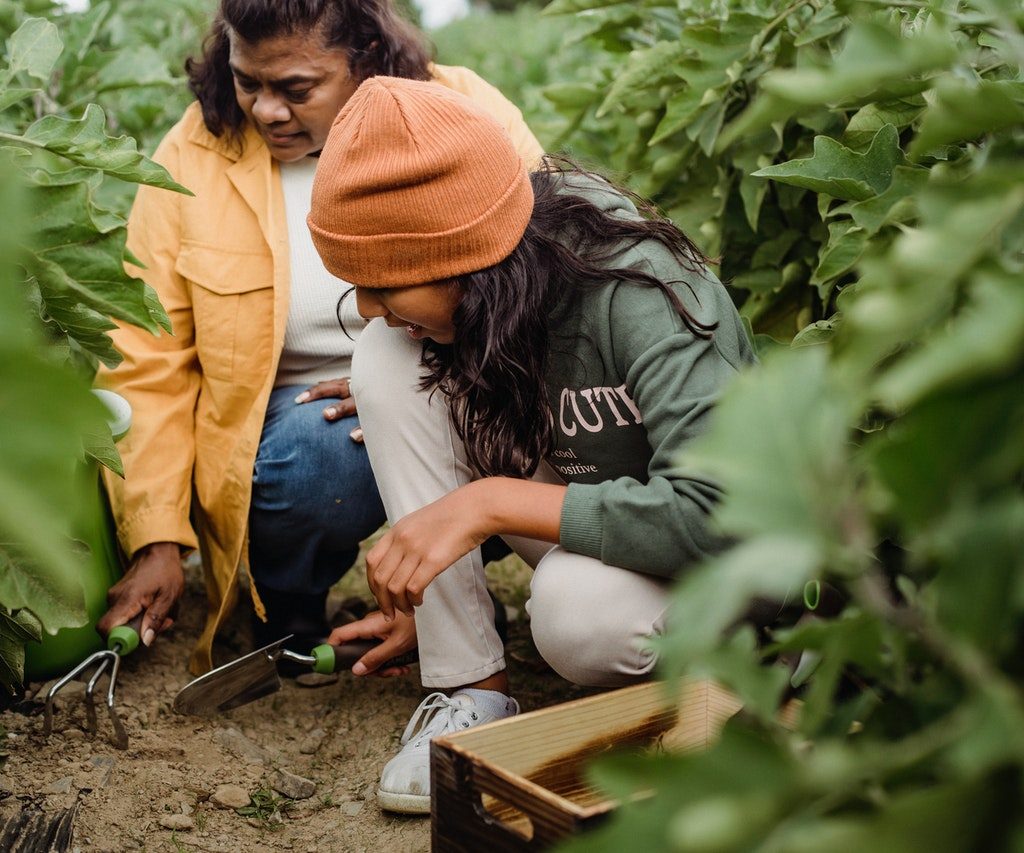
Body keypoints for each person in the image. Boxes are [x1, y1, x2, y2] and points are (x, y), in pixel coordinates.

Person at [306, 77, 757, 813]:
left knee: (575, 614)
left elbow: (720, 514)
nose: (366, 307)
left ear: (467, 255)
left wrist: (489, 503)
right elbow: (416, 363)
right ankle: (470, 686)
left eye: (385, 283)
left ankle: (750, 670)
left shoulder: (639, 289)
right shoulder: (486, 298)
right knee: (382, 362)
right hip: (607, 525)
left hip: (724, 564)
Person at [96, 0, 543, 675]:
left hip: (458, 380)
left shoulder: (466, 112)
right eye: (249, 81)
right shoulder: (193, 154)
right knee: (315, 463)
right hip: (305, 413)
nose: (267, 110)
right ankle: (286, 600)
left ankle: (451, 591)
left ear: (364, 57)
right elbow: (146, 356)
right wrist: (156, 538)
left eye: (296, 89)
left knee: (490, 432)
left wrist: (408, 382)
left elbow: (535, 275)